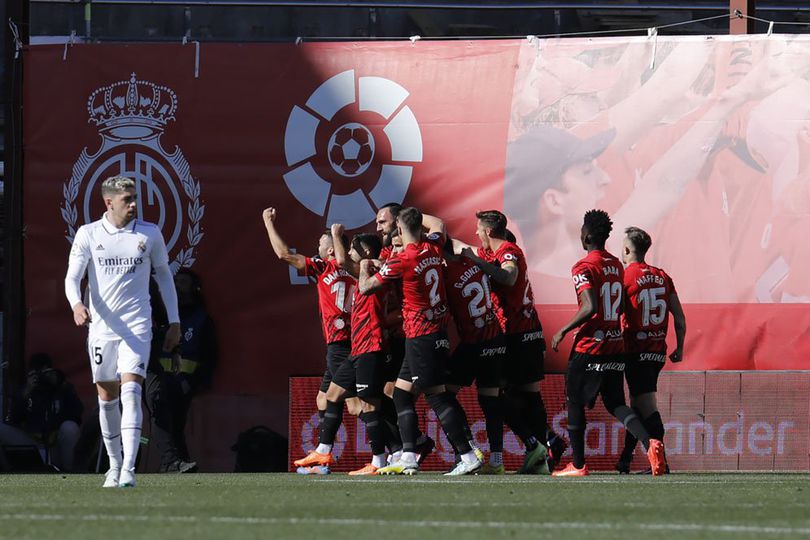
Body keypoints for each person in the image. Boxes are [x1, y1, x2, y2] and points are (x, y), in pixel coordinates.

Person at [65, 175, 181, 488]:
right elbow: (72, 277)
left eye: (134, 198)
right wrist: (77, 304)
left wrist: (174, 321)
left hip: (137, 325)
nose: (133, 204)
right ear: (109, 202)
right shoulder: (89, 234)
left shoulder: (149, 233)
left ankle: (129, 469)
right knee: (107, 397)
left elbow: (164, 277)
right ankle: (113, 466)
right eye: (127, 199)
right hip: (102, 329)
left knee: (131, 390)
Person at [359, 208, 482, 475]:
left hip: (421, 335)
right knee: (401, 394)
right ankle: (409, 456)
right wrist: (409, 215)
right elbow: (437, 221)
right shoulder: (433, 246)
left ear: (400, 231)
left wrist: (363, 267)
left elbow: (366, 288)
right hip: (434, 333)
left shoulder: (401, 259)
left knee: (437, 397)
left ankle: (468, 454)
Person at [550, 209, 666, 477]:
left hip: (590, 346)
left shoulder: (583, 267)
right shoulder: (616, 265)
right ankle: (651, 443)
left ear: (587, 235)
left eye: (581, 230)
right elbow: (623, 304)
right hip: (616, 346)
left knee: (575, 402)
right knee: (615, 403)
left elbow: (589, 306)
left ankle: (578, 465)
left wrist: (563, 330)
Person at [454, 210, 565, 473]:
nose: (476, 234)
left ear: (489, 232)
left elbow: (509, 276)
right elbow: (461, 247)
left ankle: (541, 445)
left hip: (518, 333)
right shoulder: (492, 253)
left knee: (499, 395)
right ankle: (545, 445)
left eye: (479, 230)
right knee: (521, 394)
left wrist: (472, 259)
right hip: (524, 332)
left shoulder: (508, 251)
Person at [262, 207, 357, 473]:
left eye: (320, 244)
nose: (316, 246)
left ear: (330, 251)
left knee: (354, 404)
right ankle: (323, 457)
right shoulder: (357, 268)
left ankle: (398, 448)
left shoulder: (325, 266)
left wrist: (268, 222)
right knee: (323, 400)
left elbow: (283, 254)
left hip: (344, 343)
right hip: (343, 343)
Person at [331, 224, 403, 475]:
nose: (350, 253)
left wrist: (336, 235)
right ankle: (322, 448)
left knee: (370, 405)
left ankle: (379, 461)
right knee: (333, 394)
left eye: (354, 249)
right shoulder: (370, 269)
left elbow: (341, 260)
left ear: (365, 252)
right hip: (358, 347)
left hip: (370, 345)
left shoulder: (373, 271)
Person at [616, 227, 686, 473]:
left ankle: (661, 462)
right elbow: (679, 318)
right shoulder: (662, 276)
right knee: (637, 405)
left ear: (626, 249)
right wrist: (680, 347)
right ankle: (625, 459)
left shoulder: (625, 276)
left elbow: (617, 312)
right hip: (656, 352)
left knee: (646, 407)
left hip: (636, 349)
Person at [442, 237, 508, 474]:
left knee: (444, 393)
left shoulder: (446, 274)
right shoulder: (475, 264)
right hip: (496, 338)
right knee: (490, 402)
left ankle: (469, 446)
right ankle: (497, 461)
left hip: (475, 342)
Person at [145, 268, 217, 473]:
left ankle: (176, 462)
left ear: (195, 288)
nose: (178, 286)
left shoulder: (201, 319)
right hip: (157, 378)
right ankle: (172, 462)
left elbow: (209, 355)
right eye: (175, 282)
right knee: (161, 418)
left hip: (184, 382)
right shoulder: (163, 317)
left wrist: (192, 383)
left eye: (183, 282)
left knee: (175, 424)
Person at [1, 353, 83, 472]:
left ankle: (69, 471)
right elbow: (13, 420)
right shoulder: (27, 390)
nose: (41, 377)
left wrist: (60, 386)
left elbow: (77, 414)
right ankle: (8, 470)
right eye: (36, 374)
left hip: (55, 447)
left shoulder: (62, 388)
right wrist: (26, 394)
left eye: (45, 373)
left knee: (70, 427)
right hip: (33, 446)